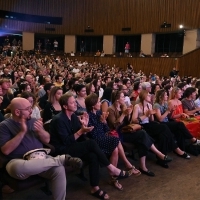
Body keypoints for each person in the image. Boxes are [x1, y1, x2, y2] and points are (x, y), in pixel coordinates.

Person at [49, 92, 131, 200]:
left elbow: (82, 135)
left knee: (93, 156)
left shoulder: (73, 116)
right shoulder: (59, 120)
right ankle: (111, 168)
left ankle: (95, 187)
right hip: (63, 151)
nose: (76, 104)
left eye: (75, 102)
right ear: (65, 106)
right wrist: (81, 131)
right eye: (72, 103)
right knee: (92, 143)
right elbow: (66, 141)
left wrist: (85, 127)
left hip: (74, 146)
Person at [0, 97, 83, 200]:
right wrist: (22, 132)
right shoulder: (4, 126)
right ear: (17, 112)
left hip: (40, 157)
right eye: (28, 108)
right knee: (17, 168)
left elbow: (47, 140)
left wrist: (41, 131)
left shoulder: (33, 120)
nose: (31, 110)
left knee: (59, 169)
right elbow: (5, 150)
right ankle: (61, 159)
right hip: (18, 161)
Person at [107, 90, 172, 174]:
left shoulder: (123, 106)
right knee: (142, 134)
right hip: (119, 134)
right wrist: (123, 114)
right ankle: (158, 155)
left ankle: (143, 166)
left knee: (142, 136)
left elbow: (130, 122)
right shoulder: (111, 109)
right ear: (117, 99)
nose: (124, 98)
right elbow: (114, 126)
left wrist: (129, 114)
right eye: (122, 97)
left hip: (127, 130)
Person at [85, 93, 141, 190]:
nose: (100, 103)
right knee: (116, 140)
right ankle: (126, 165)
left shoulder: (98, 113)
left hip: (104, 139)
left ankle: (113, 178)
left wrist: (104, 122)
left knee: (115, 149)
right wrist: (101, 122)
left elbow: (107, 129)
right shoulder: (88, 116)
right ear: (93, 105)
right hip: (95, 142)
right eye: (98, 102)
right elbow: (93, 135)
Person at [132, 90, 186, 168]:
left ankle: (161, 160)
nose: (150, 96)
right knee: (164, 127)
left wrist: (150, 115)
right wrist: (146, 115)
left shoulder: (149, 106)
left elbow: (152, 120)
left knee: (163, 135)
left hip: (149, 124)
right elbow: (134, 120)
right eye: (148, 95)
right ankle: (176, 148)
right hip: (141, 126)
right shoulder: (137, 106)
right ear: (144, 96)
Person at [154, 89, 199, 155]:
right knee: (180, 124)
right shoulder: (156, 105)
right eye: (166, 95)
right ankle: (193, 139)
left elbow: (169, 116)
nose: (167, 96)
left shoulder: (165, 103)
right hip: (161, 124)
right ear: (161, 96)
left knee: (179, 131)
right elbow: (160, 119)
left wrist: (171, 111)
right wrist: (167, 111)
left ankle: (182, 149)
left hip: (167, 121)